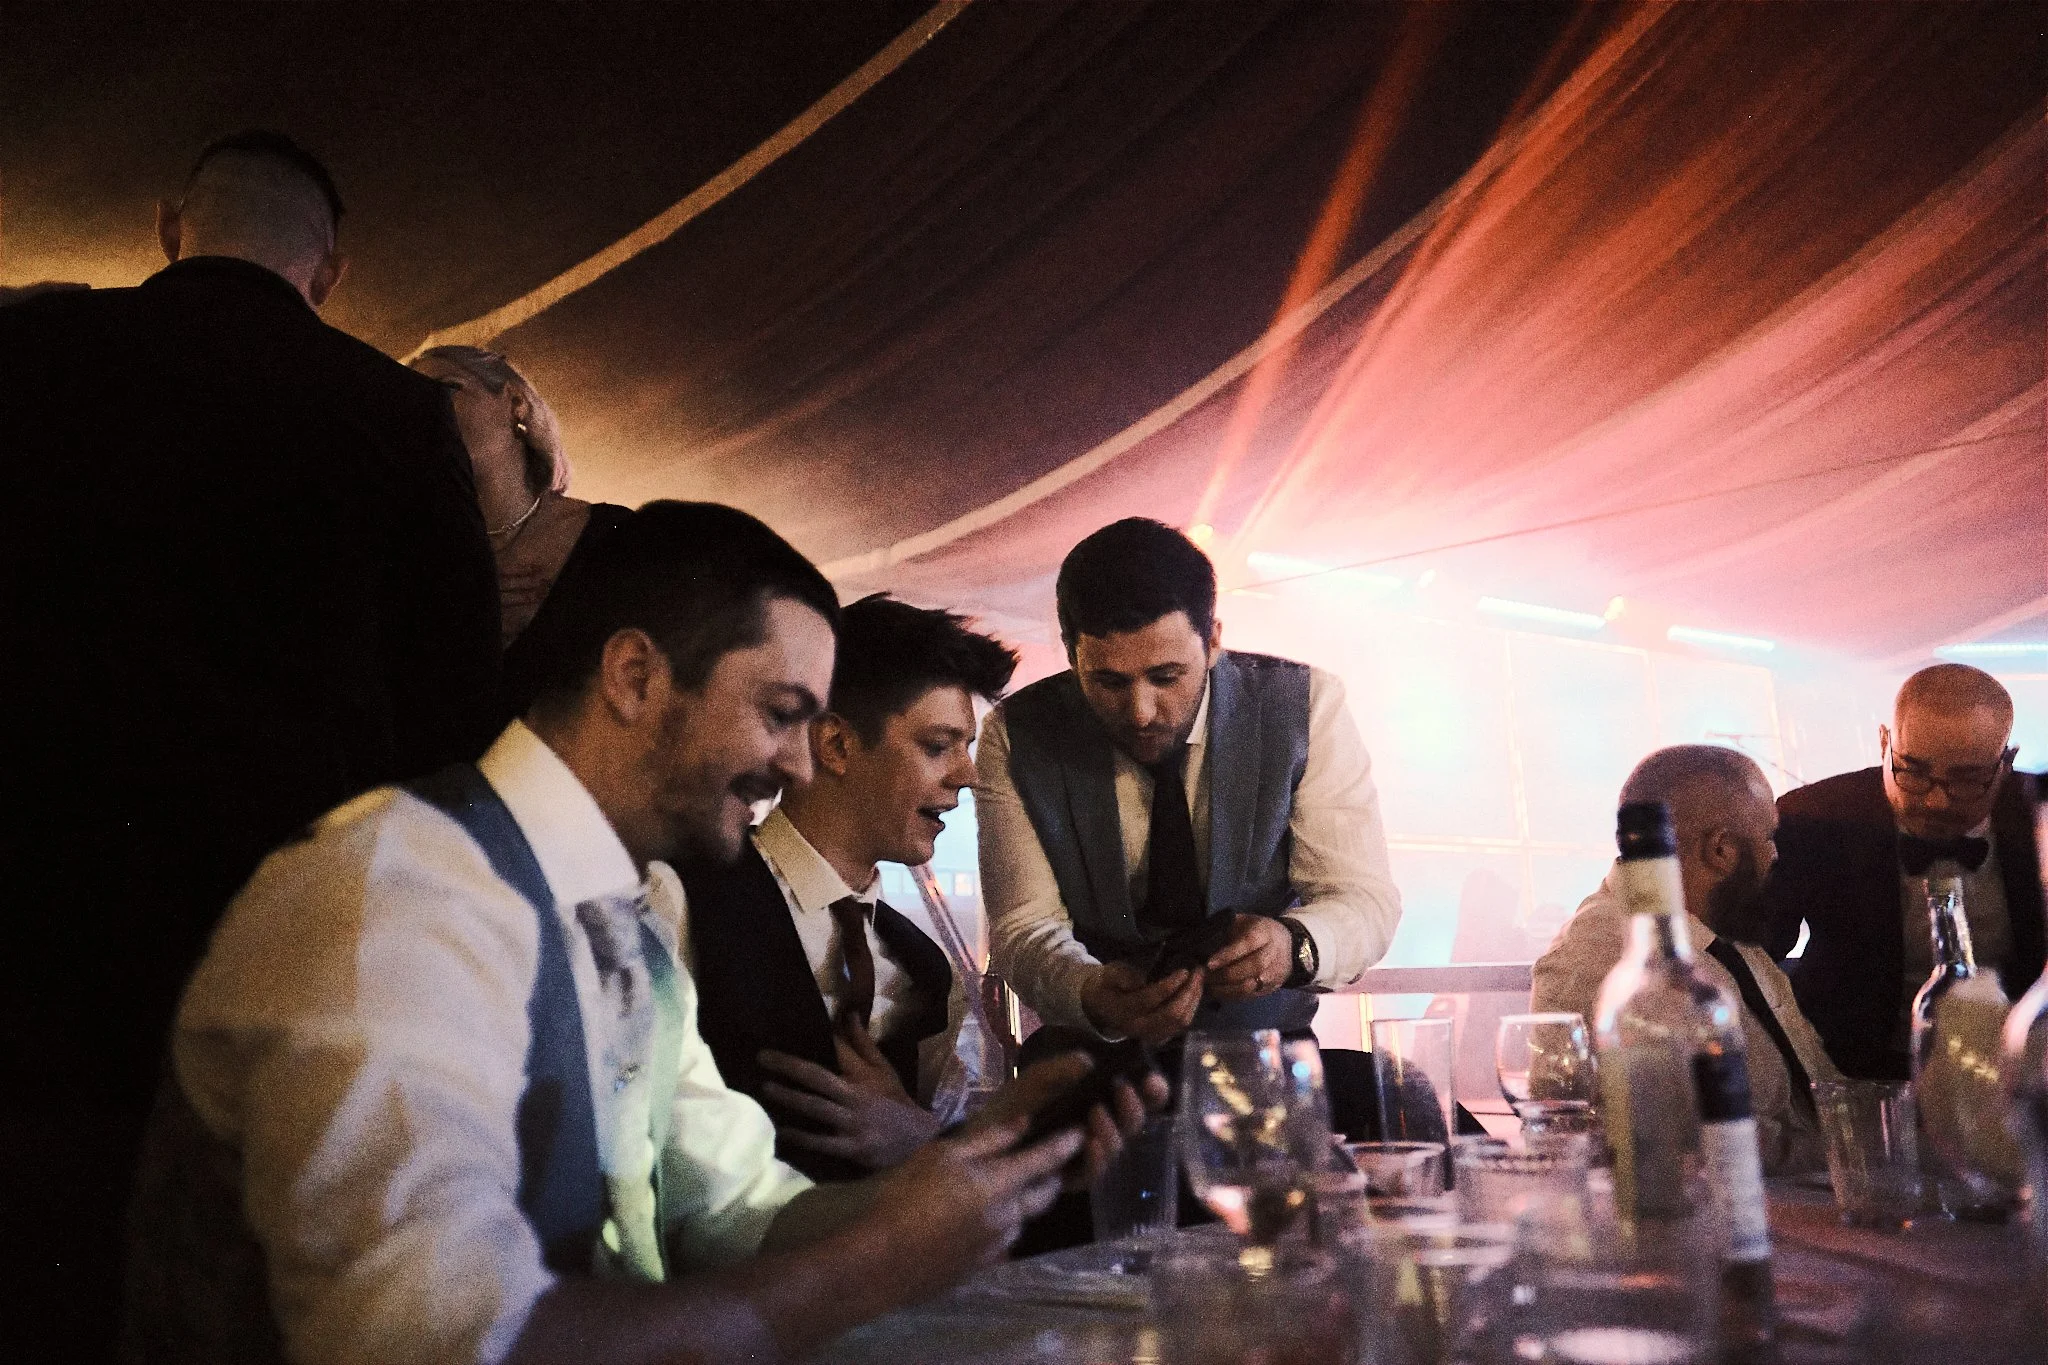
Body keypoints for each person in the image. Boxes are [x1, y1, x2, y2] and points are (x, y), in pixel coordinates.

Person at [126, 501, 1155, 1365]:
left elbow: (739, 1214)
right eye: (779, 713)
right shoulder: (399, 889)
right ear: (633, 676)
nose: (802, 765)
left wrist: (984, 1160)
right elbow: (445, 1341)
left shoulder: (634, 911)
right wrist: (873, 1264)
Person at [0, 129, 498, 1339]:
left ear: (172, 228)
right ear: (327, 272)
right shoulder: (392, 413)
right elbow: (452, 704)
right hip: (276, 925)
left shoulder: (32, 354)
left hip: (35, 909)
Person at [977, 518, 1402, 1068]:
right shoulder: (1015, 734)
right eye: (1109, 681)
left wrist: (1292, 946)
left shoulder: (1308, 707)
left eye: (1166, 676)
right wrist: (1087, 988)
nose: (1140, 712)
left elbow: (1364, 898)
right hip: (1089, 1066)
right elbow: (1022, 925)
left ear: (1214, 640)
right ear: (1070, 652)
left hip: (1268, 1061)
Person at [679, 594, 1018, 1182]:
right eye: (937, 746)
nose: (967, 776)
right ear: (835, 746)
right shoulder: (686, 896)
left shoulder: (925, 968)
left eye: (966, 748)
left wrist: (916, 1138)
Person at [1532, 745, 1839, 1175]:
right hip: (1719, 1210)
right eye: (1769, 836)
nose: (1775, 854)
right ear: (1721, 850)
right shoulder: (1601, 962)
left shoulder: (1728, 936)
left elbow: (1826, 1095)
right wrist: (1859, 1149)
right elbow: (1692, 1140)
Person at [1759, 664, 2044, 1079]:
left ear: (2007, 761)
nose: (1936, 802)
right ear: (1883, 743)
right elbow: (1756, 952)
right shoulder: (1814, 818)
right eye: (1913, 772)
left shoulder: (2040, 814)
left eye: (1967, 779)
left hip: (2022, 1065)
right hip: (1857, 1068)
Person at [409, 345, 632, 720]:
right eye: (413, 401)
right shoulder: (416, 562)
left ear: (515, 402)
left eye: (447, 388)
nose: (427, 409)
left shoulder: (612, 535)